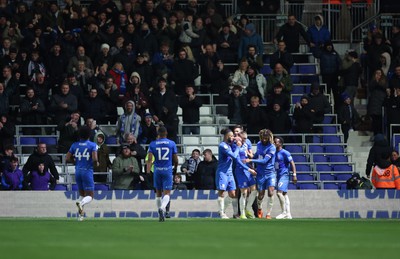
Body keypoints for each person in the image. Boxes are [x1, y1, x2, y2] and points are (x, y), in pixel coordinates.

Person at [216, 128, 256, 219]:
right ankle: (222, 213)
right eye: (231, 136)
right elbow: (234, 156)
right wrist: (238, 146)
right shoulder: (223, 145)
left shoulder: (229, 145)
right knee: (221, 192)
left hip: (229, 172)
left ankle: (221, 210)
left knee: (233, 194)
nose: (233, 137)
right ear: (226, 136)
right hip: (222, 172)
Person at [66, 126, 99, 221]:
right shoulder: (92, 145)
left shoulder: (74, 145)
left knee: (82, 194)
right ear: (89, 135)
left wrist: (74, 162)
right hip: (87, 171)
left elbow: (67, 158)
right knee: (90, 196)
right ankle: (80, 204)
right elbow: (94, 158)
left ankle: (80, 216)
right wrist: (96, 163)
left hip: (78, 171)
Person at [146, 126, 178, 222]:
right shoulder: (171, 143)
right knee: (167, 193)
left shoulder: (153, 144)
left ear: (158, 134)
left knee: (158, 194)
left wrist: (148, 172)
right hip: (167, 170)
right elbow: (175, 158)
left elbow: (150, 160)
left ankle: (159, 211)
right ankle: (162, 208)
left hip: (157, 170)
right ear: (166, 133)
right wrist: (176, 166)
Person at [245, 129, 276, 219]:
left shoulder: (272, 147)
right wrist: (251, 157)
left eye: (266, 138)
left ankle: (268, 214)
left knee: (270, 192)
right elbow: (258, 155)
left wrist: (251, 160)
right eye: (263, 138)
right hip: (260, 173)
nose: (264, 140)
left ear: (269, 138)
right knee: (261, 194)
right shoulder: (259, 144)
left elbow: (265, 161)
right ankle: (259, 209)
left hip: (270, 173)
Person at [234, 133, 257, 219]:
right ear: (239, 138)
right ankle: (242, 213)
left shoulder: (246, 144)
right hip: (240, 170)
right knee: (244, 192)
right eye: (243, 139)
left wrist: (250, 157)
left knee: (254, 190)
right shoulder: (235, 145)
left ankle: (248, 208)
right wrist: (249, 169)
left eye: (246, 139)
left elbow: (249, 156)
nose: (245, 140)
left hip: (247, 169)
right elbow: (238, 161)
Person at [274, 136, 297, 219]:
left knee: (279, 193)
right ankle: (288, 213)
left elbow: (292, 163)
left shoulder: (285, 152)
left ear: (280, 143)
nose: (274, 143)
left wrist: (294, 175)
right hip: (278, 175)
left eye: (275, 142)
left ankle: (283, 212)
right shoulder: (274, 152)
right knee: (284, 194)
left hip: (284, 175)